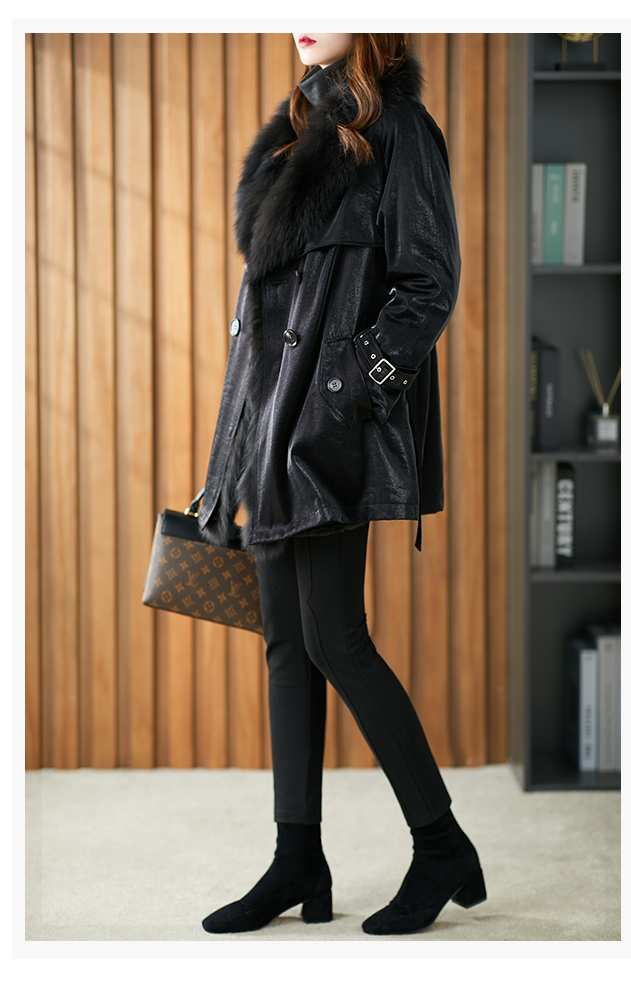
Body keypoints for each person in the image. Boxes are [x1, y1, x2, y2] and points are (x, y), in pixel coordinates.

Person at [197, 32, 485, 936]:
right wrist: (232, 453)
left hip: (326, 430)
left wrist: (346, 390)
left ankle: (441, 843)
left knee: (334, 636)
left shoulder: (398, 126)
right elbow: (261, 325)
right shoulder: (297, 130)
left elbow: (428, 281)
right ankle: (298, 858)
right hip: (269, 435)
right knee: (288, 641)